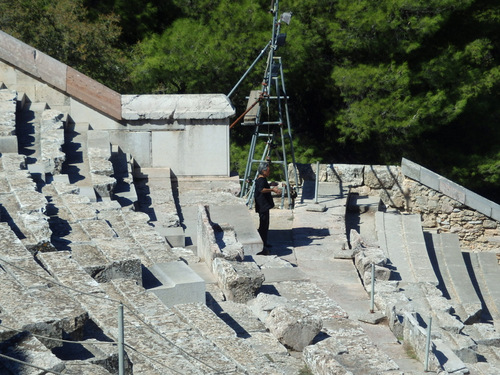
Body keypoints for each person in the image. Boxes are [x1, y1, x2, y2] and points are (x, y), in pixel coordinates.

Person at [254, 161, 281, 255]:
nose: (269, 172)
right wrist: (272, 189)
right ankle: (261, 246)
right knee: (263, 225)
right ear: (263, 171)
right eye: (268, 170)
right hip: (262, 206)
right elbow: (261, 189)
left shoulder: (263, 179)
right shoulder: (260, 180)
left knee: (265, 225)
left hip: (264, 206)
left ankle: (264, 242)